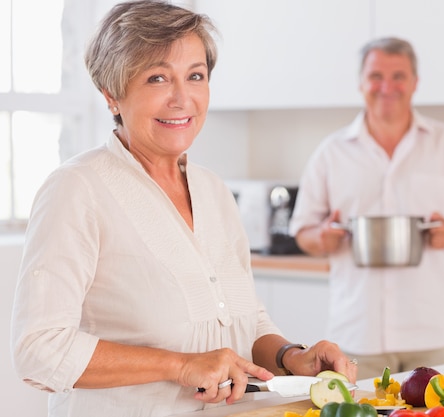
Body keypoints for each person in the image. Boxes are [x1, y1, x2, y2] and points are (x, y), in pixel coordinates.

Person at [10, 2, 356, 416]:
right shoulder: (77, 188)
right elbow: (39, 349)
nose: (182, 98)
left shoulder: (213, 191)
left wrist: (289, 356)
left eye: (195, 76)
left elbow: (244, 319)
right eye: (157, 78)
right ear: (112, 94)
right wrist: (180, 366)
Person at [290, 37, 444, 379]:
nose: (386, 86)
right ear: (361, 83)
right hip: (357, 333)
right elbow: (304, 233)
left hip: (436, 332)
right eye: (376, 76)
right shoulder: (331, 152)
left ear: (415, 83)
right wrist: (323, 237)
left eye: (398, 76)